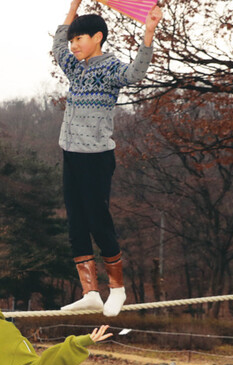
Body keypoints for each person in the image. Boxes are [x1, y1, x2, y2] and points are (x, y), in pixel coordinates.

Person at [53, 0, 162, 316]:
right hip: (71, 154)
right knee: (76, 223)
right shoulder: (74, 67)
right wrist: (74, 4)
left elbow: (136, 73)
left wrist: (149, 32)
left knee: (98, 221)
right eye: (73, 40)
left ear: (97, 37)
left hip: (96, 158)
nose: (73, 45)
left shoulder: (110, 68)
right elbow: (58, 40)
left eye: (80, 39)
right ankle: (90, 292)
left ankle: (117, 289)